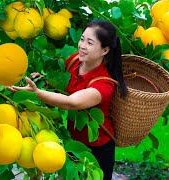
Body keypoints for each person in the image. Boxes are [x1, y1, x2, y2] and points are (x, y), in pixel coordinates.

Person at [7, 19, 127, 180]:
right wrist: (44, 81)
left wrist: (36, 93)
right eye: (82, 39)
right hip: (72, 140)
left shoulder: (104, 84)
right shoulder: (74, 61)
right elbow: (63, 86)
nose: (82, 46)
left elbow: (72, 102)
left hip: (98, 148)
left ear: (104, 50)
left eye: (90, 43)